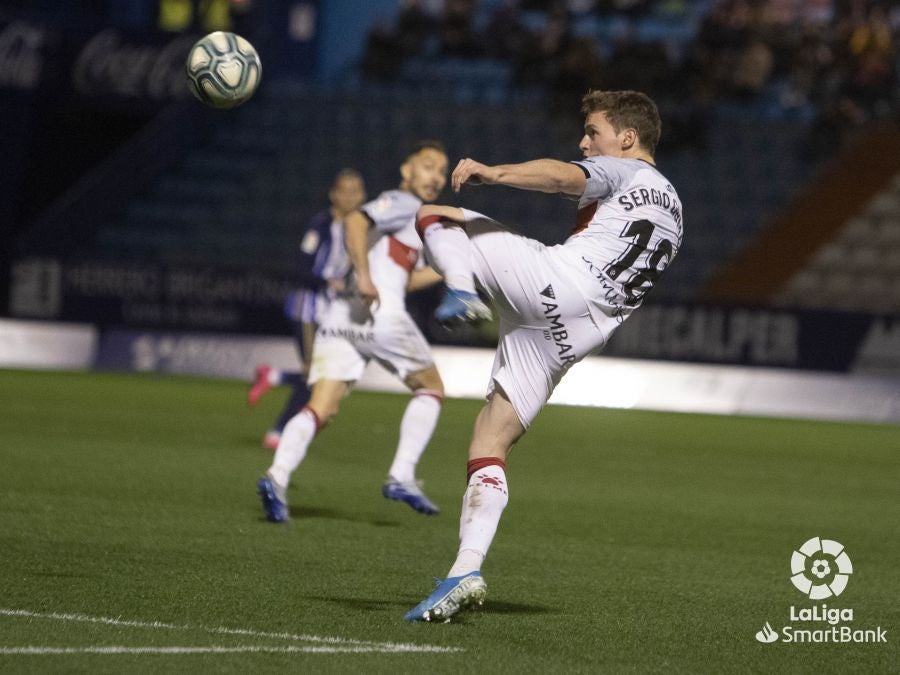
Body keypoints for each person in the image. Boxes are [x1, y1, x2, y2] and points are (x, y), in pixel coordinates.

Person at [404, 90, 683, 621]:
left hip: (558, 286)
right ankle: (465, 570)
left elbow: (562, 177)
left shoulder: (629, 173)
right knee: (490, 441)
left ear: (627, 139)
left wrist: (495, 173)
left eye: (593, 132)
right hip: (578, 332)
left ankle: (462, 291)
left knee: (437, 215)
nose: (584, 142)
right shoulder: (675, 207)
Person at [256, 141, 451, 522]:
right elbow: (355, 221)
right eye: (427, 166)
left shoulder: (415, 220)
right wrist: (363, 275)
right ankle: (402, 474)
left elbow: (404, 278)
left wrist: (450, 267)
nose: (436, 176)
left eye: (442, 170)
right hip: (379, 314)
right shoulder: (402, 202)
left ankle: (276, 477)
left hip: (342, 317)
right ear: (406, 171)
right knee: (431, 388)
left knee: (320, 408)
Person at [247, 169, 367, 450]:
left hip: (331, 310)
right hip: (307, 308)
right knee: (316, 373)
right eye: (344, 190)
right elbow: (300, 267)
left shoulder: (361, 227)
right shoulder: (321, 225)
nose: (350, 197)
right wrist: (327, 280)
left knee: (326, 373)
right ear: (333, 194)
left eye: (356, 191)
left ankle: (274, 377)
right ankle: (278, 432)